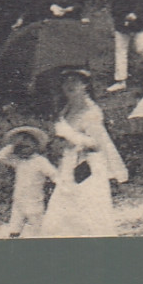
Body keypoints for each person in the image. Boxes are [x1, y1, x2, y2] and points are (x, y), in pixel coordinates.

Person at [42, 68, 126, 236]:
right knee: (63, 211)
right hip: (69, 163)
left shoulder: (91, 112)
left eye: (75, 81)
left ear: (85, 85)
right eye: (66, 81)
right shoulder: (66, 109)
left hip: (89, 168)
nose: (70, 85)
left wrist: (68, 134)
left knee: (89, 214)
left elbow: (96, 144)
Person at [0, 126, 57, 238]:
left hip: (34, 202)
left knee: (37, 229)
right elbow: (2, 156)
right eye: (20, 147)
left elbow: (54, 174)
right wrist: (12, 146)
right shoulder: (18, 161)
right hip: (18, 201)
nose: (23, 149)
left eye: (27, 146)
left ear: (36, 146)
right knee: (14, 227)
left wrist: (60, 184)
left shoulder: (40, 161)